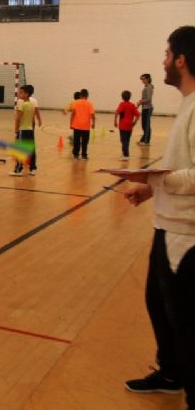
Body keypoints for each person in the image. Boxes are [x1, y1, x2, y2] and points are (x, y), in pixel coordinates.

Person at [118, 26, 195, 410]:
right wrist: (151, 188)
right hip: (168, 224)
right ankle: (171, 373)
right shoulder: (188, 104)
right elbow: (183, 165)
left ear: (181, 59)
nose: (163, 61)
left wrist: (154, 179)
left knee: (184, 318)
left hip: (188, 235)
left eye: (167, 54)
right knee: (159, 303)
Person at [10, 85, 37, 176]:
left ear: (27, 94)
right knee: (30, 148)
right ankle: (32, 168)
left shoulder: (22, 105)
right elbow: (33, 118)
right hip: (30, 129)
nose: (19, 94)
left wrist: (16, 129)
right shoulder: (31, 104)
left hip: (22, 129)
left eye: (21, 92)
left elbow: (18, 118)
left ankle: (18, 169)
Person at [114, 90, 140, 161]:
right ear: (130, 97)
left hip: (122, 126)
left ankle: (126, 155)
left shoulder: (122, 104)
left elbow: (116, 112)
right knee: (127, 140)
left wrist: (115, 121)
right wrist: (135, 122)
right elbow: (138, 115)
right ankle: (125, 153)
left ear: (122, 97)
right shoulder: (132, 105)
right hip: (129, 126)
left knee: (123, 140)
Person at [70, 88, 95, 160]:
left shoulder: (76, 103)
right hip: (86, 126)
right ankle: (84, 155)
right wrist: (93, 123)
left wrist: (71, 124)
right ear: (87, 96)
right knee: (84, 142)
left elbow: (73, 114)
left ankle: (76, 155)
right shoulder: (89, 103)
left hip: (77, 125)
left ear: (80, 95)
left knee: (76, 141)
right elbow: (92, 114)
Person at [138, 73, 154, 146]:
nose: (142, 80)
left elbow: (148, 99)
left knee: (146, 125)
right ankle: (143, 139)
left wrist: (141, 101)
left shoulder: (149, 87)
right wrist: (141, 102)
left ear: (147, 79)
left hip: (148, 108)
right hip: (145, 108)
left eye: (143, 79)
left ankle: (146, 141)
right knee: (144, 125)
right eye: (142, 79)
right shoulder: (146, 87)